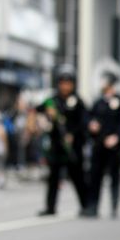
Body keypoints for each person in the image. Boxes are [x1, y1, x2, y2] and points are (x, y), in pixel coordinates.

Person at [36, 64, 90, 216]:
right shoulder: (52, 100)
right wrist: (47, 115)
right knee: (53, 178)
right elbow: (37, 110)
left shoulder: (78, 102)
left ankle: (86, 205)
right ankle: (50, 207)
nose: (65, 86)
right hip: (56, 146)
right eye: (62, 83)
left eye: (68, 83)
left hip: (73, 147)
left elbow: (84, 122)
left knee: (78, 177)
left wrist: (73, 134)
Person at [85, 72, 120, 218]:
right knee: (95, 176)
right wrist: (92, 126)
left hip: (114, 146)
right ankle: (93, 206)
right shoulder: (98, 102)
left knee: (115, 176)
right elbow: (90, 118)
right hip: (99, 145)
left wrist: (116, 137)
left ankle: (114, 205)